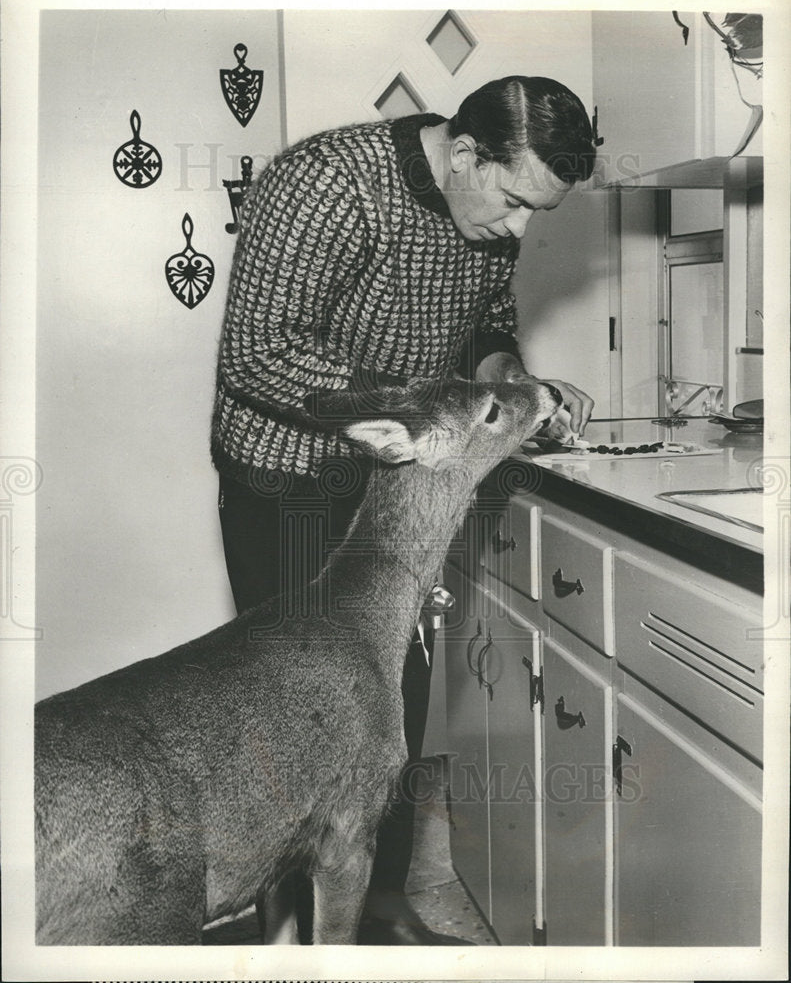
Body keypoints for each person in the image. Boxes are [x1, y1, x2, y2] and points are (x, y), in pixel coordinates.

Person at [211, 75, 596, 945]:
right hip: (290, 481)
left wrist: (501, 373)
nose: (518, 230)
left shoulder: (485, 209)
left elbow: (487, 316)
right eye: (512, 201)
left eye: (537, 211)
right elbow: (258, 356)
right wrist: (422, 410)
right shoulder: (326, 182)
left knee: (390, 709)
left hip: (393, 476)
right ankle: (269, 936)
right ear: (464, 152)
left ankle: (369, 918)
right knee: (296, 715)